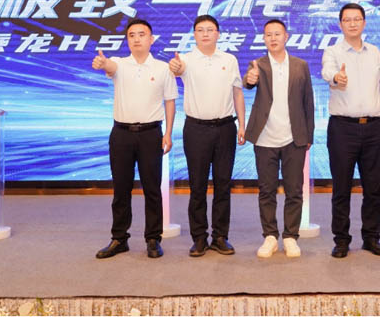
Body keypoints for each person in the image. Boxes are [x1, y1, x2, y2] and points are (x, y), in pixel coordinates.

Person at [92, 19, 178, 259]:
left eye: (142, 34)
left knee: (152, 189)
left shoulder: (163, 68)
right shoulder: (120, 63)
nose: (137, 38)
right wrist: (103, 63)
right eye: (132, 35)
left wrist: (168, 133)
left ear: (151, 39)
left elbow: (170, 101)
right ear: (127, 40)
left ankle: (153, 238)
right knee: (121, 189)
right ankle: (119, 238)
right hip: (121, 134)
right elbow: (109, 66)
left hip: (151, 134)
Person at [321, 3, 380, 259]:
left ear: (364, 23)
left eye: (357, 19)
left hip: (373, 127)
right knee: (341, 187)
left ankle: (371, 238)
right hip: (342, 128)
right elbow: (327, 72)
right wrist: (336, 78)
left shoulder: (374, 52)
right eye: (347, 20)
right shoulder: (332, 51)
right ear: (340, 24)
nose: (352, 23)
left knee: (373, 188)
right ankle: (341, 240)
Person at [169, 14, 246, 257]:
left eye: (210, 29)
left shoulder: (229, 59)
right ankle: (199, 238)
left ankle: (220, 236)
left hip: (225, 128)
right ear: (194, 34)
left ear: (218, 34)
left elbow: (237, 93)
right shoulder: (186, 59)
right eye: (200, 30)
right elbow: (177, 70)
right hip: (196, 129)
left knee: (223, 184)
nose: (205, 34)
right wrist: (176, 68)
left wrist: (242, 124)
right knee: (198, 185)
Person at [243, 19, 315, 258]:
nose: (272, 38)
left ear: (286, 37)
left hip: (294, 138)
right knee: (267, 190)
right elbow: (248, 81)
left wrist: (309, 134)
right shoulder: (258, 65)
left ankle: (291, 236)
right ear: (263, 38)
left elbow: (308, 101)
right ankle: (270, 236)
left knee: (294, 191)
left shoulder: (300, 65)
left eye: (277, 34)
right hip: (265, 138)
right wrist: (250, 79)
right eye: (268, 35)